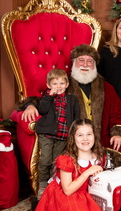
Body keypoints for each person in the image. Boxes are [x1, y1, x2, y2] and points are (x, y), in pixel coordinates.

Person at [19, 44, 121, 165]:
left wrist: (118, 134)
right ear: (73, 63)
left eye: (90, 61)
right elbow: (44, 101)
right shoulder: (63, 85)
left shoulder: (107, 88)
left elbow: (119, 114)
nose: (85, 64)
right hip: (73, 141)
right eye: (81, 60)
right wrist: (29, 105)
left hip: (101, 140)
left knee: (119, 151)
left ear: (95, 65)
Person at [26, 118, 106, 211]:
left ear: (95, 135)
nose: (85, 139)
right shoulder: (67, 159)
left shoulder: (98, 156)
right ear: (73, 138)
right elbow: (68, 190)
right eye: (80, 135)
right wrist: (87, 172)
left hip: (84, 194)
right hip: (64, 194)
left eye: (89, 134)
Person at [35, 68, 80, 199]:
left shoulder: (71, 99)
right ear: (49, 85)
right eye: (55, 84)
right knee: (45, 160)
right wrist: (49, 96)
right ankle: (43, 184)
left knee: (56, 162)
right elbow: (42, 110)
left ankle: (52, 184)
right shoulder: (47, 98)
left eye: (61, 83)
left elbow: (76, 115)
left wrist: (75, 132)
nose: (58, 86)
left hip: (63, 136)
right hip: (47, 135)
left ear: (66, 85)